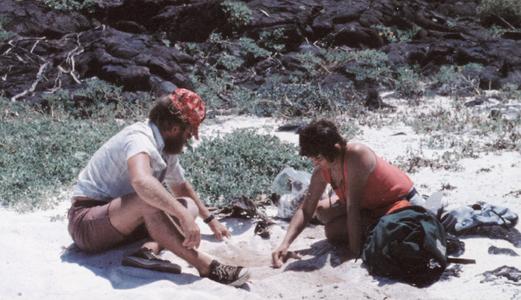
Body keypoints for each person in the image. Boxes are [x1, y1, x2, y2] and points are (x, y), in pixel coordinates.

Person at [68, 88, 250, 286]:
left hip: (120, 223)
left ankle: (145, 252)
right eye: (188, 131)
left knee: (188, 205)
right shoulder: (139, 137)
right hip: (87, 223)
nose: (189, 138)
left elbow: (180, 186)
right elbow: (141, 181)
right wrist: (181, 215)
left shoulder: (165, 147)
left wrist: (210, 220)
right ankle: (205, 266)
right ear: (173, 128)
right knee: (148, 198)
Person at [272, 119, 417, 267]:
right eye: (312, 158)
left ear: (334, 148)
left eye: (318, 158)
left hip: (396, 200)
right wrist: (285, 244)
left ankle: (370, 225)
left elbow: (352, 208)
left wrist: (353, 252)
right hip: (366, 203)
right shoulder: (324, 167)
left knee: (333, 231)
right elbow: (306, 209)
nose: (315, 163)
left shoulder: (356, 156)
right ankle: (367, 222)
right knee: (321, 211)